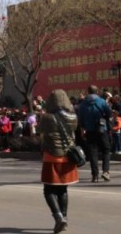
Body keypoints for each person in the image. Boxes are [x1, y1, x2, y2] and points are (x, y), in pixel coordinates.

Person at [38, 89, 79, 233]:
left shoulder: (47, 117)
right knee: (63, 189)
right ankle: (64, 218)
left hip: (52, 156)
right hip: (68, 157)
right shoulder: (73, 117)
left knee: (48, 190)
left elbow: (39, 132)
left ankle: (58, 216)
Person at [78, 85, 112, 182]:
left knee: (93, 152)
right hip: (102, 129)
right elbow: (109, 114)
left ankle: (95, 175)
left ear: (88, 92)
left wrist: (82, 129)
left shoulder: (83, 104)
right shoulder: (102, 101)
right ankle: (106, 171)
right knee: (106, 150)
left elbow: (80, 119)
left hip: (89, 130)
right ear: (97, 92)